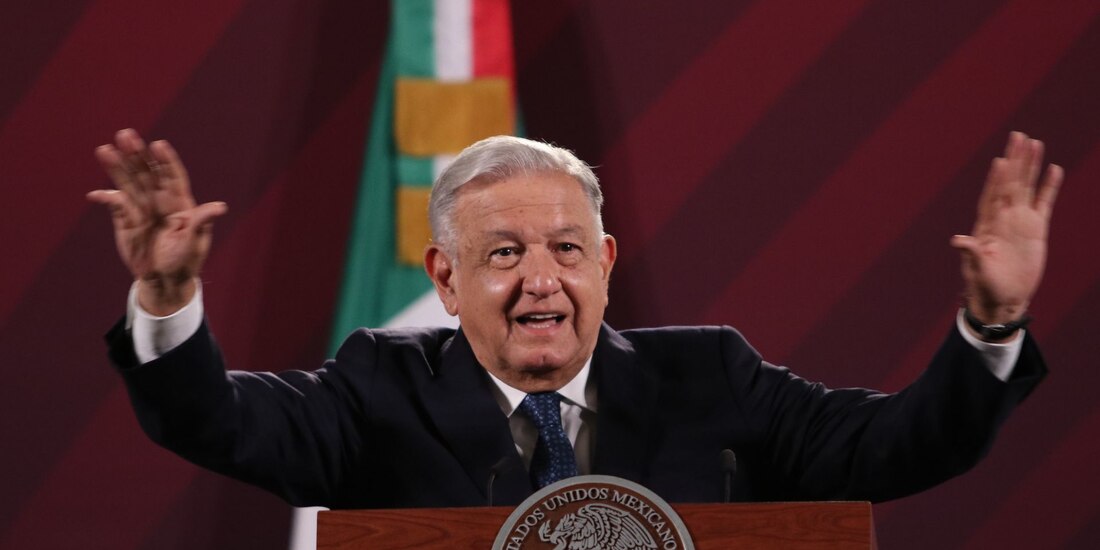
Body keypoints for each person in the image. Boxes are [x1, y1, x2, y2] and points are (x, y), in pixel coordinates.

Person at [88, 129, 1060, 508]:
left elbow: (901, 445)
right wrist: (167, 303)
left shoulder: (711, 378)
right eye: (503, 255)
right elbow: (214, 420)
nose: (540, 281)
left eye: (564, 249)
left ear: (604, 264)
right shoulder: (377, 388)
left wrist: (994, 320)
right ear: (446, 279)